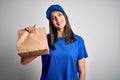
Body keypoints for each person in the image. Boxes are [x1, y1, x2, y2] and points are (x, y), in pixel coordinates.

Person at [24, 4, 88, 80]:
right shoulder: (45, 40)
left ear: (65, 16)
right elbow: (24, 61)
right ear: (51, 22)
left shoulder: (78, 41)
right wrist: (31, 37)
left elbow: (82, 72)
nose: (58, 19)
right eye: (53, 18)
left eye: (59, 15)